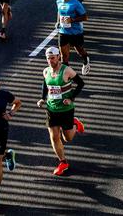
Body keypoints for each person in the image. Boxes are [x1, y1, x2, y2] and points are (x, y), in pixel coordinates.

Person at [36, 47, 86, 176]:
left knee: (67, 138)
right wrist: (42, 99)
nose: (50, 61)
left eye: (53, 58)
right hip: (51, 109)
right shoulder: (46, 71)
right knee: (54, 137)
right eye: (48, 58)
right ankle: (63, 162)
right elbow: (45, 85)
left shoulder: (66, 70)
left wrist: (71, 98)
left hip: (66, 110)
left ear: (58, 57)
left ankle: (75, 123)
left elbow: (81, 83)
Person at [0, 75, 21, 205]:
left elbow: (18, 102)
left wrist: (11, 113)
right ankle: (8, 155)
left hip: (0, 131)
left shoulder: (4, 95)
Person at [56, 0, 90, 74]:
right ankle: (66, 75)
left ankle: (86, 60)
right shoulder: (58, 1)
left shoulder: (75, 3)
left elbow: (85, 17)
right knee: (64, 56)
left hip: (75, 32)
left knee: (79, 51)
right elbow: (59, 11)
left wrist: (72, 20)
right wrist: (58, 21)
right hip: (63, 32)